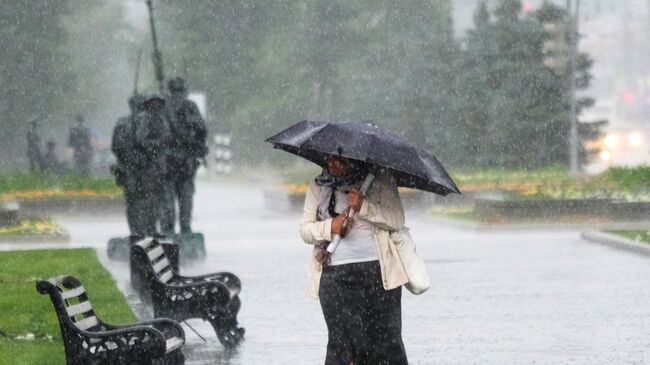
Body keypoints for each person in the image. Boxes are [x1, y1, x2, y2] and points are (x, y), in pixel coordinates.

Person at [300, 154, 409, 365]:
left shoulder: (380, 179)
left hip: (379, 275)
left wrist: (363, 206)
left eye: (338, 160)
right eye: (328, 160)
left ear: (354, 159)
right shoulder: (318, 185)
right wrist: (330, 226)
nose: (332, 165)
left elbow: (396, 220)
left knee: (385, 345)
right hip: (335, 277)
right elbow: (305, 230)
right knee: (343, 347)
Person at [161, 77, 208, 234]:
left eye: (178, 91)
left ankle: (177, 230)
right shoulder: (170, 108)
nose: (178, 95)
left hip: (181, 162)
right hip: (173, 162)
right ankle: (176, 231)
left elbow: (202, 130)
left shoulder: (186, 107)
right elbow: (202, 130)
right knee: (178, 200)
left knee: (179, 200)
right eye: (177, 91)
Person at [130, 94, 170, 237]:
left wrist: (160, 145)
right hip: (146, 165)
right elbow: (140, 139)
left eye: (158, 104)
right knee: (146, 200)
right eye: (153, 104)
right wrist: (152, 146)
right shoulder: (143, 119)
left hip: (158, 166)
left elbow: (167, 136)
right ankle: (144, 229)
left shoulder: (162, 120)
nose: (156, 107)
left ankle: (153, 229)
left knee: (157, 200)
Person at [111, 95, 146, 236]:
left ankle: (143, 231)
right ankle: (136, 232)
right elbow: (116, 146)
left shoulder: (148, 123)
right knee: (133, 201)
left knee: (145, 202)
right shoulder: (123, 123)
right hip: (129, 167)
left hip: (146, 168)